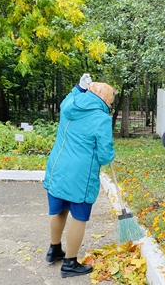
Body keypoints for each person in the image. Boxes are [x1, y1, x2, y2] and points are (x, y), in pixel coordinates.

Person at [43, 74, 116, 278]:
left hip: (57, 167)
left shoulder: (69, 105)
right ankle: (70, 263)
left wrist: (78, 87)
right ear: (105, 100)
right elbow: (104, 156)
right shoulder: (101, 118)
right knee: (79, 216)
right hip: (80, 176)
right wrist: (110, 153)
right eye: (111, 100)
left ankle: (54, 249)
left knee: (58, 210)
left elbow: (71, 96)